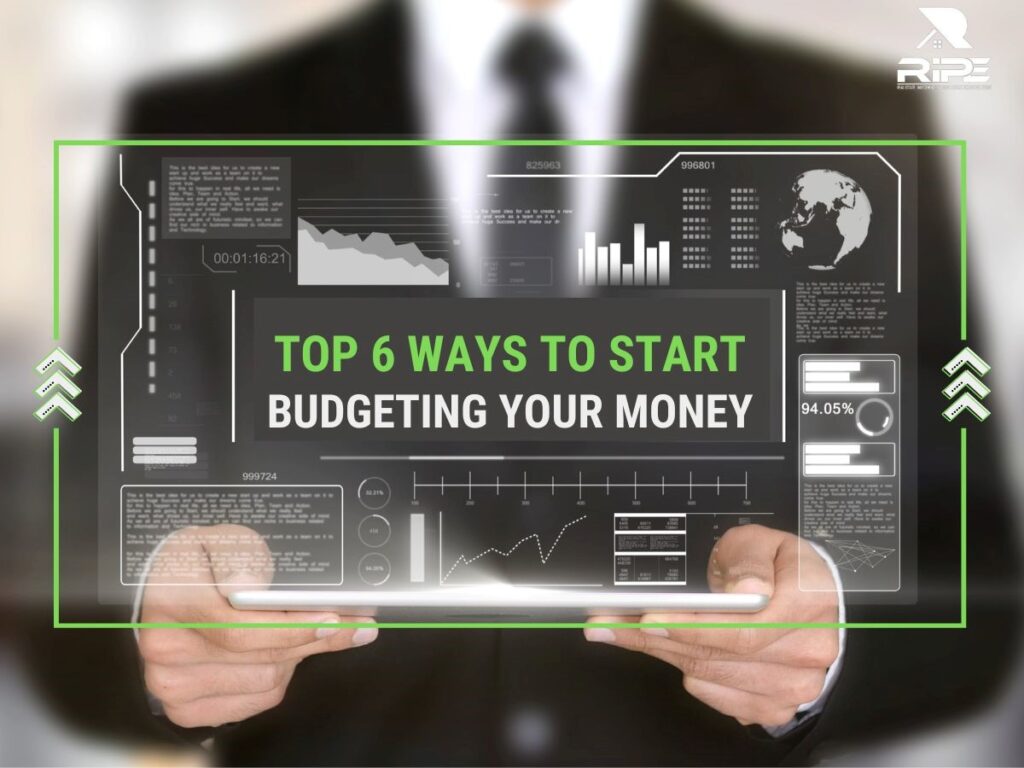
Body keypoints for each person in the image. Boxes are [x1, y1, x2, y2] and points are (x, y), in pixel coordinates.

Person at [39, 0, 1020, 764]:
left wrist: (827, 644)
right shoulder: (205, 131)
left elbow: (966, 580)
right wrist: (150, 636)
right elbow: (64, 574)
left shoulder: (841, 135)